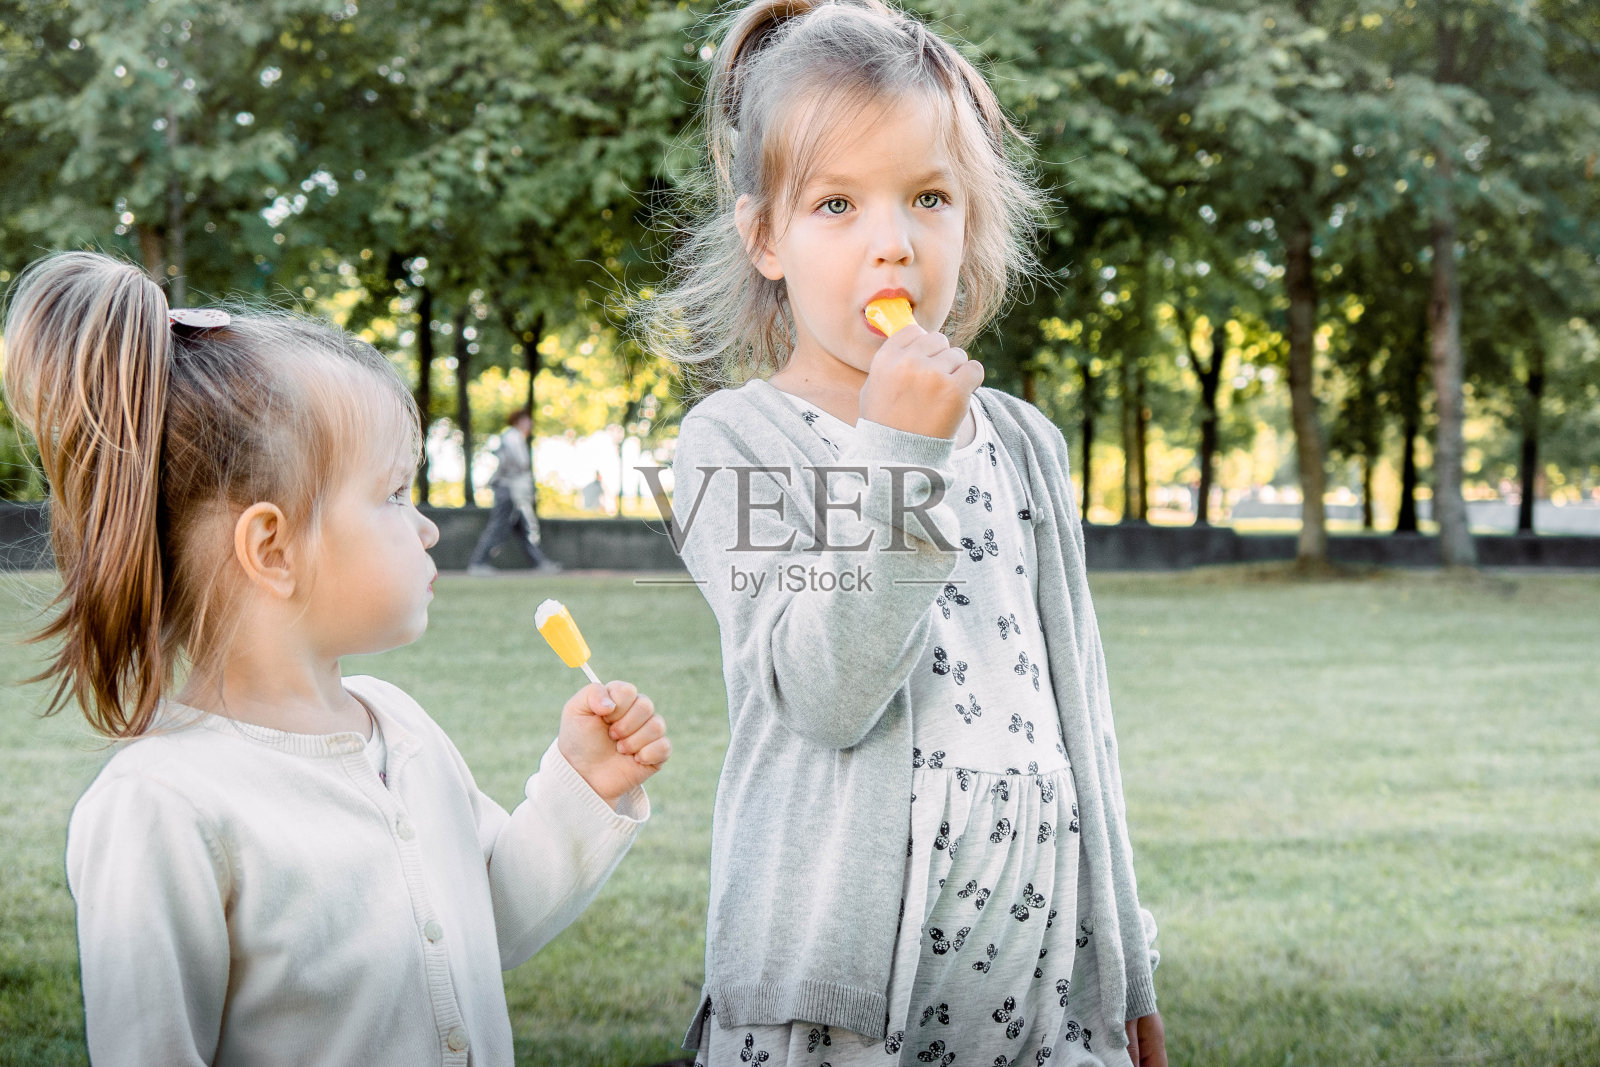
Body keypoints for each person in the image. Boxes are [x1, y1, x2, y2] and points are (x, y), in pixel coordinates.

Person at [644, 2, 1165, 1064]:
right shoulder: (732, 443)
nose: (892, 242)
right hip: (844, 1004)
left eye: (928, 196)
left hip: (1040, 988)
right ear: (765, 238)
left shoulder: (1024, 444)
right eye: (837, 203)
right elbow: (822, 691)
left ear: (967, 219)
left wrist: (1129, 979)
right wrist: (895, 455)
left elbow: (1084, 729)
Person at [1, 251, 670, 1066]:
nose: (425, 528)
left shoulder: (404, 728)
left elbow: (481, 923)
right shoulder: (162, 808)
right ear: (273, 548)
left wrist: (582, 785)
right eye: (392, 494)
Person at [468, 410, 561, 574]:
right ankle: (478, 564)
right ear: (519, 421)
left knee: (524, 528)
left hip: (515, 491)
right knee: (499, 526)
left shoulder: (515, 437)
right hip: (508, 490)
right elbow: (516, 462)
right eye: (527, 420)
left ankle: (540, 563)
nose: (530, 424)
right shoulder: (511, 436)